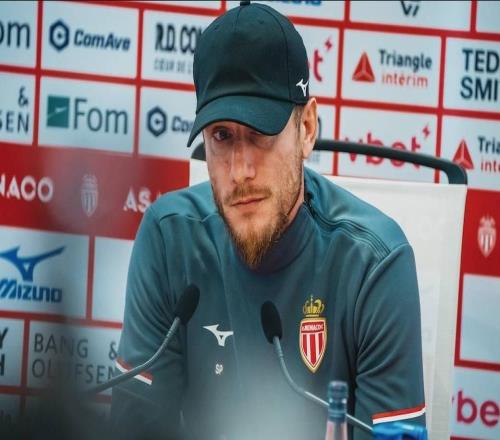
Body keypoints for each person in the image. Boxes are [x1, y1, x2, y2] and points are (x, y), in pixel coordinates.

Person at [111, 2, 425, 439]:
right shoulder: (168, 239)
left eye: (260, 133)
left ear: (307, 128)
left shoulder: (375, 263)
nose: (240, 170)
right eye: (222, 136)